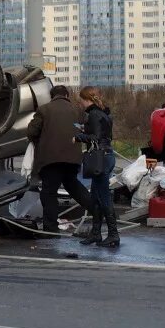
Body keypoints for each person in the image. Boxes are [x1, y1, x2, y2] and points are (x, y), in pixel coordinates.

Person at [26, 85, 94, 236]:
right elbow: (87, 130)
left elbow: (31, 132)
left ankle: (50, 228)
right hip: (73, 158)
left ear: (52, 96)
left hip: (50, 159)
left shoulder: (44, 109)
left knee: (49, 192)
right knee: (74, 187)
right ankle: (100, 213)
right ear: (67, 95)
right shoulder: (78, 111)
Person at [75, 86, 120, 248]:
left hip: (99, 158)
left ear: (85, 99)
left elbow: (95, 137)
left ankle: (113, 234)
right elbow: (106, 135)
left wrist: (78, 136)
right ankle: (96, 233)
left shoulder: (93, 114)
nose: (79, 102)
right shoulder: (105, 114)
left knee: (103, 197)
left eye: (80, 99)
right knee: (95, 196)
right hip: (107, 156)